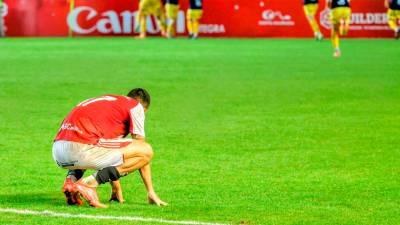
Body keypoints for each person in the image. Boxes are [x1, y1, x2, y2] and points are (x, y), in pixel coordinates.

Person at [52, 88, 167, 208]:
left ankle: (71, 183)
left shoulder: (108, 103)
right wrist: (150, 191)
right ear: (144, 109)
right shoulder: (136, 107)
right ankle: (88, 184)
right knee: (146, 150)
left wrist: (115, 187)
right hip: (82, 148)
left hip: (58, 151)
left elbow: (108, 152)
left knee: (92, 145)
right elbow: (141, 149)